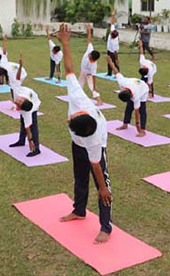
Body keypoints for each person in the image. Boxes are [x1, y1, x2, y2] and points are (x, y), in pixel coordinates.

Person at [56, 23, 113, 245]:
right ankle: (79, 210)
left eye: (69, 121)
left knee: (104, 188)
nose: (67, 118)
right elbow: (69, 68)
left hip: (91, 149)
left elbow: (96, 166)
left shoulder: (94, 139)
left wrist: (101, 187)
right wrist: (66, 43)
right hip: (76, 145)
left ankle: (106, 226)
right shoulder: (78, 99)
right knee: (79, 177)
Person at [106, 55, 150, 137]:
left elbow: (137, 113)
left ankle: (143, 129)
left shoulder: (136, 96)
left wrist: (138, 128)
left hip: (143, 89)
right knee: (129, 108)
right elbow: (116, 71)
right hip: (134, 83)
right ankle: (125, 124)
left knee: (142, 110)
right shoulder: (122, 82)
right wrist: (110, 62)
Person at [8, 54, 42, 157]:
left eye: (17, 103)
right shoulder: (19, 92)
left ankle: (36, 148)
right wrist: (20, 66)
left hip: (34, 104)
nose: (17, 101)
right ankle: (21, 141)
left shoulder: (27, 112)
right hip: (30, 99)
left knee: (32, 127)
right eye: (18, 101)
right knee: (22, 122)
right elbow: (18, 78)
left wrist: (30, 140)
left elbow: (28, 127)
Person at [79, 24, 103, 106]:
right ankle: (79, 98)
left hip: (89, 75)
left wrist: (95, 85)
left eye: (91, 58)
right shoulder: (90, 50)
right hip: (83, 72)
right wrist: (89, 30)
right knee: (80, 85)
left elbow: (94, 76)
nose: (89, 56)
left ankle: (99, 100)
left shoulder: (93, 65)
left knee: (91, 87)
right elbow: (89, 40)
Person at [106, 10, 120, 76]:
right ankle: (109, 73)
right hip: (109, 50)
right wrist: (113, 15)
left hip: (113, 53)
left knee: (114, 63)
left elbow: (116, 52)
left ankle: (117, 73)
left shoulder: (115, 42)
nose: (110, 35)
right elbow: (112, 23)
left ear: (113, 37)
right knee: (109, 62)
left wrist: (117, 59)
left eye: (111, 35)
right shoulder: (113, 31)